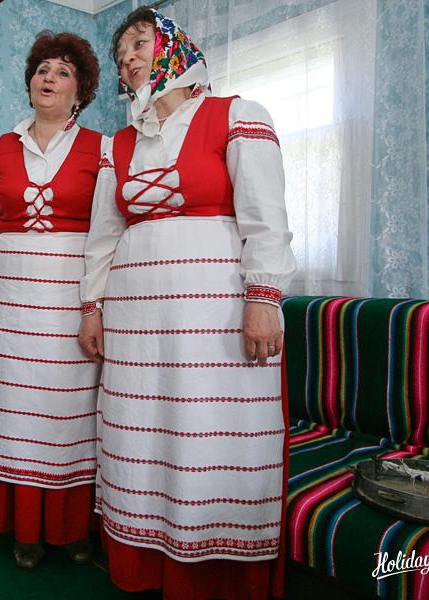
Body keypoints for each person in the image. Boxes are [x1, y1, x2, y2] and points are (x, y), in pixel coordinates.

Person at [78, 8, 296, 599]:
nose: (128, 57)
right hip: (137, 318)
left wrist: (263, 298)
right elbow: (103, 236)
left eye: (139, 43)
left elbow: (265, 217)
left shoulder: (236, 115)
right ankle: (146, 567)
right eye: (121, 51)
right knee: (143, 431)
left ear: (174, 47)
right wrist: (92, 307)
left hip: (214, 314)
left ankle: (215, 576)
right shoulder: (120, 144)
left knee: (209, 428)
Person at [0, 31, 108, 570]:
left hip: (72, 293)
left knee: (68, 408)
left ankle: (71, 525)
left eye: (63, 72)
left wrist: (91, 299)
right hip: (10, 299)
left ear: (81, 91)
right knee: (15, 407)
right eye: (42, 69)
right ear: (30, 82)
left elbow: (107, 230)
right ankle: (24, 526)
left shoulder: (103, 148)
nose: (48, 78)